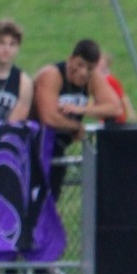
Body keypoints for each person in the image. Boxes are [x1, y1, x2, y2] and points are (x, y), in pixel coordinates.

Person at [34, 39, 120, 201]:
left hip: (59, 148)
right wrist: (75, 126)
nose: (83, 72)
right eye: (79, 65)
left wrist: (82, 109)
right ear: (70, 59)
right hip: (34, 147)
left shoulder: (92, 78)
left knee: (51, 202)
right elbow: (48, 117)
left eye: (89, 68)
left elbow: (115, 107)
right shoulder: (52, 75)